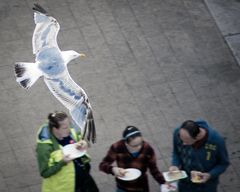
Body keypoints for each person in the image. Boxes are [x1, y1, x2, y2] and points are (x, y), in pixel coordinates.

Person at [36, 111, 99, 192]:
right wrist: (63, 162)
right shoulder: (45, 147)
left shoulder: (71, 128)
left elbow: (83, 138)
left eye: (69, 124)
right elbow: (45, 173)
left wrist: (85, 143)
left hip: (84, 178)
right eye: (65, 127)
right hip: (65, 187)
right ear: (55, 129)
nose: (69, 129)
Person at [99, 126, 166, 192]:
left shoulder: (147, 148)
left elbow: (154, 169)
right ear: (126, 143)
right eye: (135, 146)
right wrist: (113, 169)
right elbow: (102, 165)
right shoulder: (117, 147)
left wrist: (163, 182)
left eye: (141, 143)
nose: (139, 147)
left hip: (141, 187)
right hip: (123, 187)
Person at [169, 119, 230, 192]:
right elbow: (176, 153)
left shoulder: (217, 141)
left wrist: (209, 175)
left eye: (187, 141)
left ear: (197, 137)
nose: (183, 144)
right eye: (181, 139)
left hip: (206, 187)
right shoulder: (178, 133)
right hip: (184, 184)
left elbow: (223, 164)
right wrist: (175, 165)